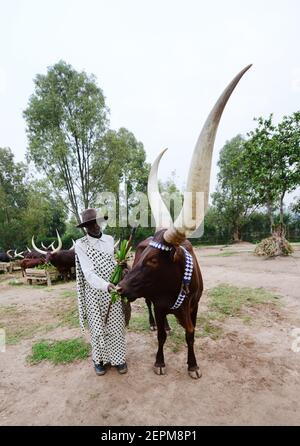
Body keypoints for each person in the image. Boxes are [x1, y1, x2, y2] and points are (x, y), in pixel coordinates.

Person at [75, 208, 127, 376]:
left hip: (113, 290)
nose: (94, 227)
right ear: (85, 227)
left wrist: (122, 266)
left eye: (96, 222)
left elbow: (114, 262)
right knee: (97, 328)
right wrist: (105, 285)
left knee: (116, 325)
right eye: (89, 225)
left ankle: (118, 359)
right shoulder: (81, 245)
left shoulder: (110, 240)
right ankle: (99, 361)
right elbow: (88, 273)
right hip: (94, 292)